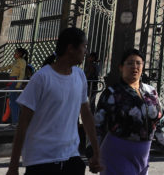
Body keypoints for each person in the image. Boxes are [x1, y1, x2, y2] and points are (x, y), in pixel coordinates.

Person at [5, 27, 101, 175]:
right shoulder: (42, 78)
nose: (86, 51)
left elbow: (86, 114)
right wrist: (13, 167)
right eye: (84, 46)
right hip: (41, 160)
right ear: (70, 48)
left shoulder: (80, 76)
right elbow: (23, 123)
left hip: (71, 157)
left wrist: (96, 151)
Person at [95, 49, 164, 174]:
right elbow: (98, 125)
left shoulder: (151, 92)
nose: (135, 67)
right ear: (121, 67)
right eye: (130, 63)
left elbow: (161, 122)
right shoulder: (112, 93)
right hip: (116, 153)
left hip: (142, 155)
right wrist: (93, 151)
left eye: (138, 63)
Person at [0, 47, 30, 125]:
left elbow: (22, 73)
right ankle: (15, 121)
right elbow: (6, 67)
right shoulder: (16, 61)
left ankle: (15, 122)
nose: (14, 54)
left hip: (15, 82)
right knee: (12, 102)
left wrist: (18, 84)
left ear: (20, 54)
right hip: (11, 81)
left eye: (16, 52)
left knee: (13, 103)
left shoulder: (22, 61)